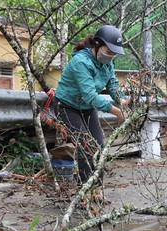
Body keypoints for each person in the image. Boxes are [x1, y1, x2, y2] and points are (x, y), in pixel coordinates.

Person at [54, 25, 129, 201]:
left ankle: (98, 191)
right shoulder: (81, 62)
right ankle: (83, 192)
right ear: (96, 44)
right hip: (67, 107)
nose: (111, 55)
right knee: (86, 145)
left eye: (114, 53)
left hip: (86, 109)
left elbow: (112, 85)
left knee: (100, 147)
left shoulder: (107, 63)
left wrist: (122, 100)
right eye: (108, 51)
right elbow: (90, 96)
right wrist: (116, 112)